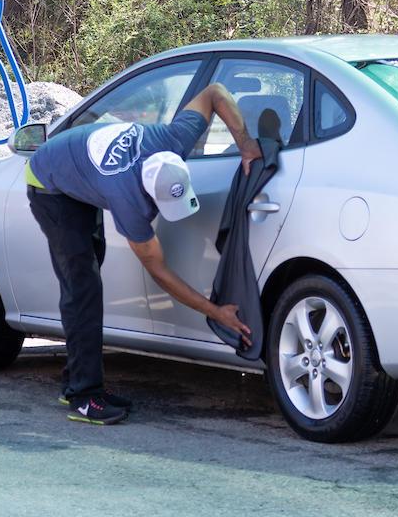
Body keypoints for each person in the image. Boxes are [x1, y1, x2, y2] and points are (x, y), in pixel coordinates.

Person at [25, 83, 262, 425]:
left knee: (88, 279)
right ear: (146, 194)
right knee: (82, 288)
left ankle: (77, 379)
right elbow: (160, 272)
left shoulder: (173, 138)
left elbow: (214, 92)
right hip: (50, 185)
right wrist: (215, 312)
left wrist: (245, 145)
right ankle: (83, 396)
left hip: (79, 170)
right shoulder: (128, 200)